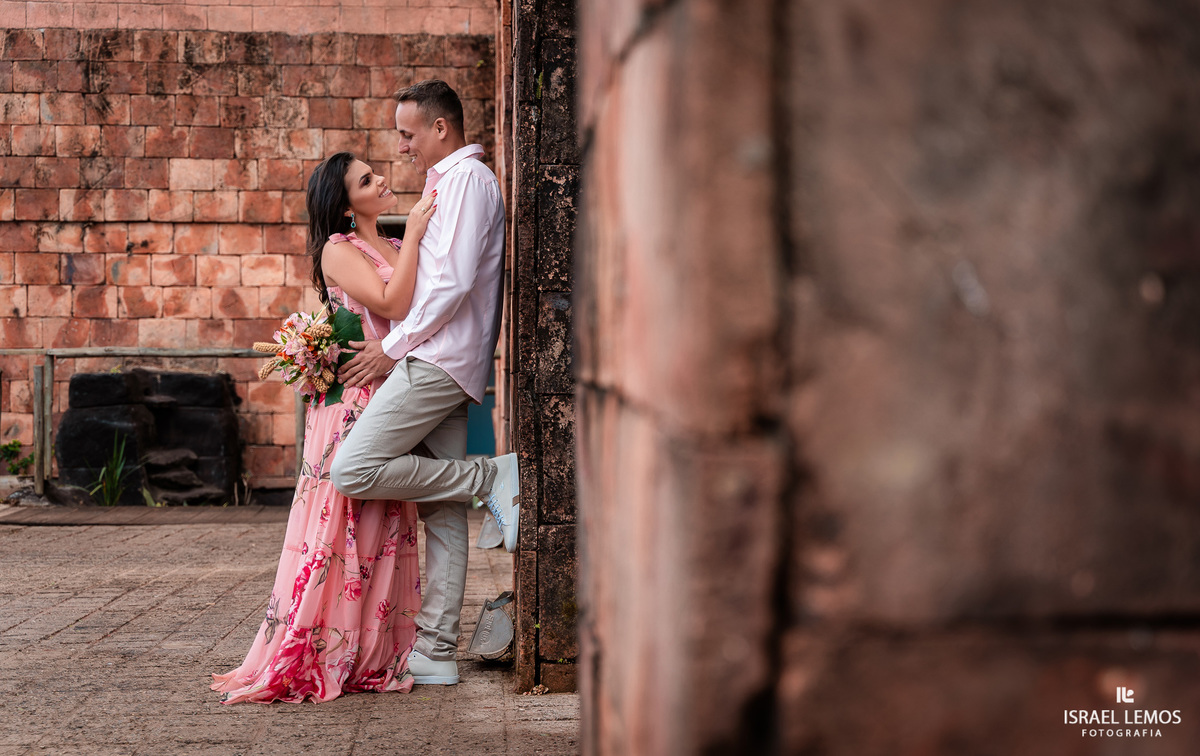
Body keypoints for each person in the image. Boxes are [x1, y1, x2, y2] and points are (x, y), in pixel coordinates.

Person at [211, 152, 438, 704]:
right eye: (366, 180)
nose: (381, 179)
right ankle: (331, 645)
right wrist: (411, 232)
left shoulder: (388, 243)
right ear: (344, 205)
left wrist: (405, 241)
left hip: (389, 388)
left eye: (375, 171)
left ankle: (372, 650)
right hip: (354, 400)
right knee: (344, 523)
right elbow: (394, 301)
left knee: (384, 523)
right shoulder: (339, 250)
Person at [329, 79, 520, 687]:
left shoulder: (466, 181)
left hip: (434, 360)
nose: (402, 147)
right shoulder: (448, 185)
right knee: (441, 512)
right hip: (446, 359)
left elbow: (452, 283)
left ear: (440, 128)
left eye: (408, 133)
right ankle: (436, 651)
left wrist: (393, 347)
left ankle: (491, 474)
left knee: (352, 469)